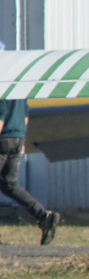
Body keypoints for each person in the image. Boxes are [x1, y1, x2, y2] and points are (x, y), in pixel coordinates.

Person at [0, 98, 60, 244]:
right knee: (9, 184)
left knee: (9, 184)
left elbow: (1, 116)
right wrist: (22, 141)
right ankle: (43, 216)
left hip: (3, 138)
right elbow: (25, 114)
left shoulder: (4, 87)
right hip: (17, 139)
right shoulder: (20, 92)